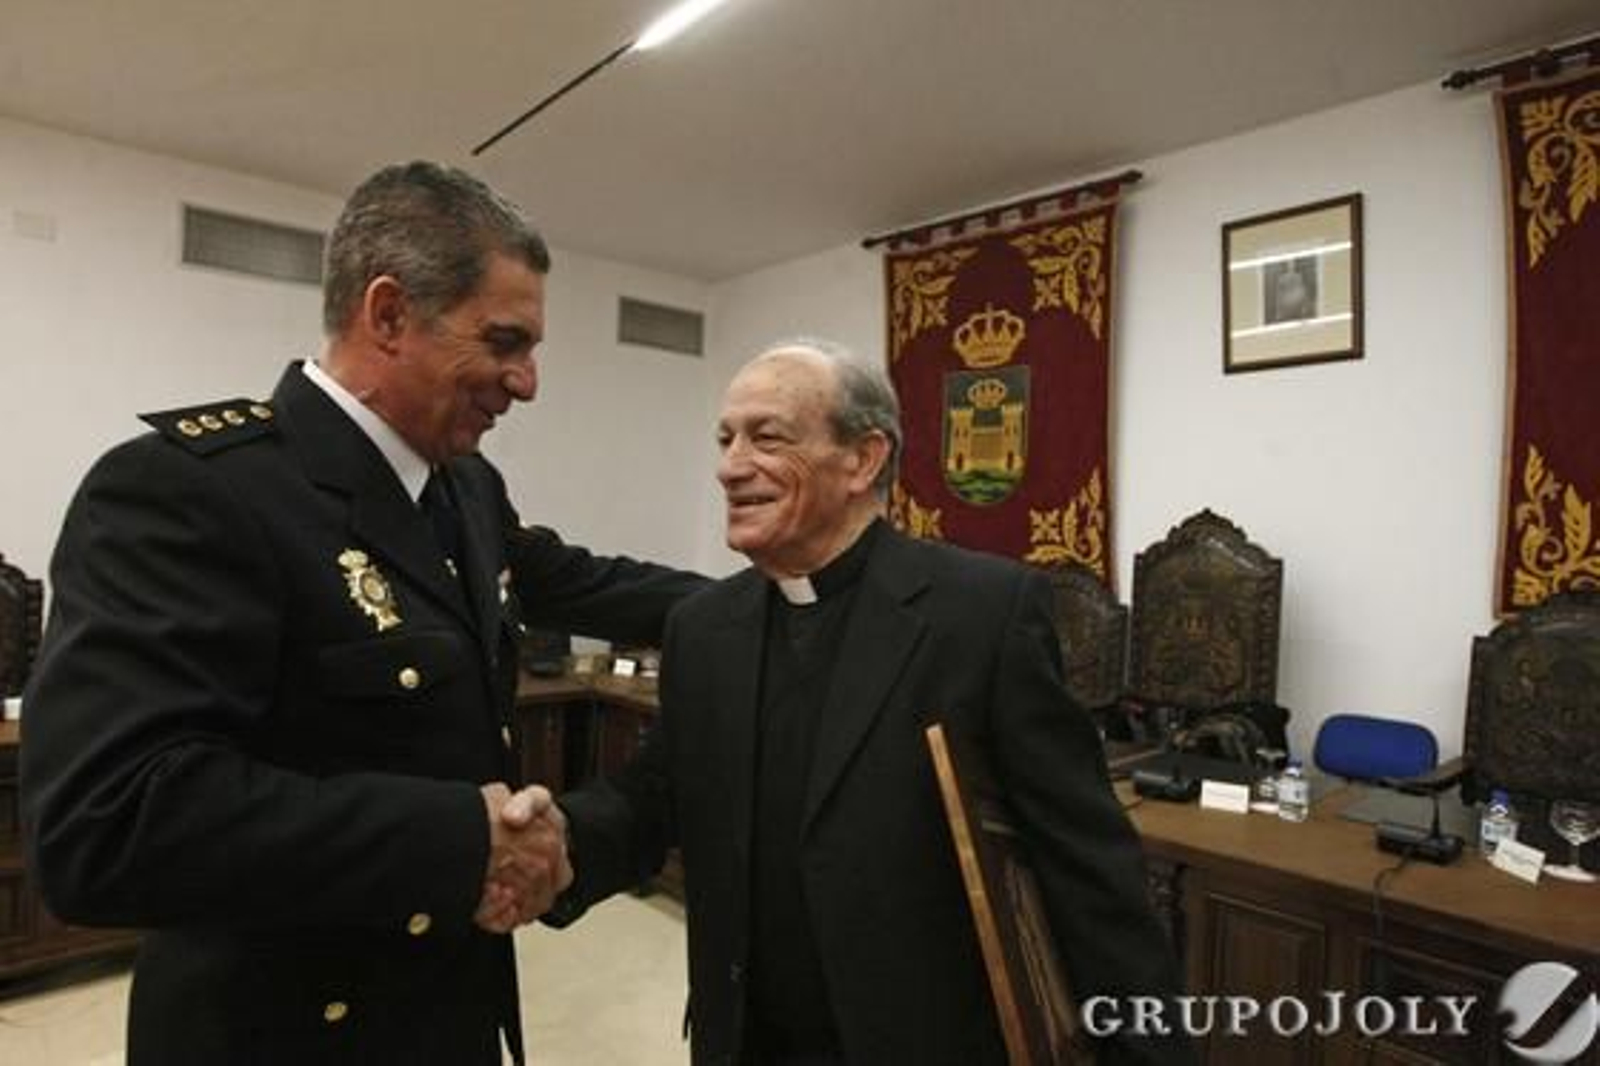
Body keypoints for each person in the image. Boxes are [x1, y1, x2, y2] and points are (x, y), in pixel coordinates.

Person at [20, 161, 705, 1065]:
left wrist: (756, 597)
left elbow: (575, 579)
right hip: (286, 1034)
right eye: (504, 342)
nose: (527, 382)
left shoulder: (465, 487)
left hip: (447, 1015)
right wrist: (458, 839)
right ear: (387, 315)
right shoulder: (190, 490)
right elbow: (104, 826)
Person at [554, 339, 1194, 1064]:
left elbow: (1086, 866)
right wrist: (555, 845)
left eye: (767, 437)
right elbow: (658, 795)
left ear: (863, 459)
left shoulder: (981, 615)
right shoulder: (702, 627)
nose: (730, 466)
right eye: (725, 439)